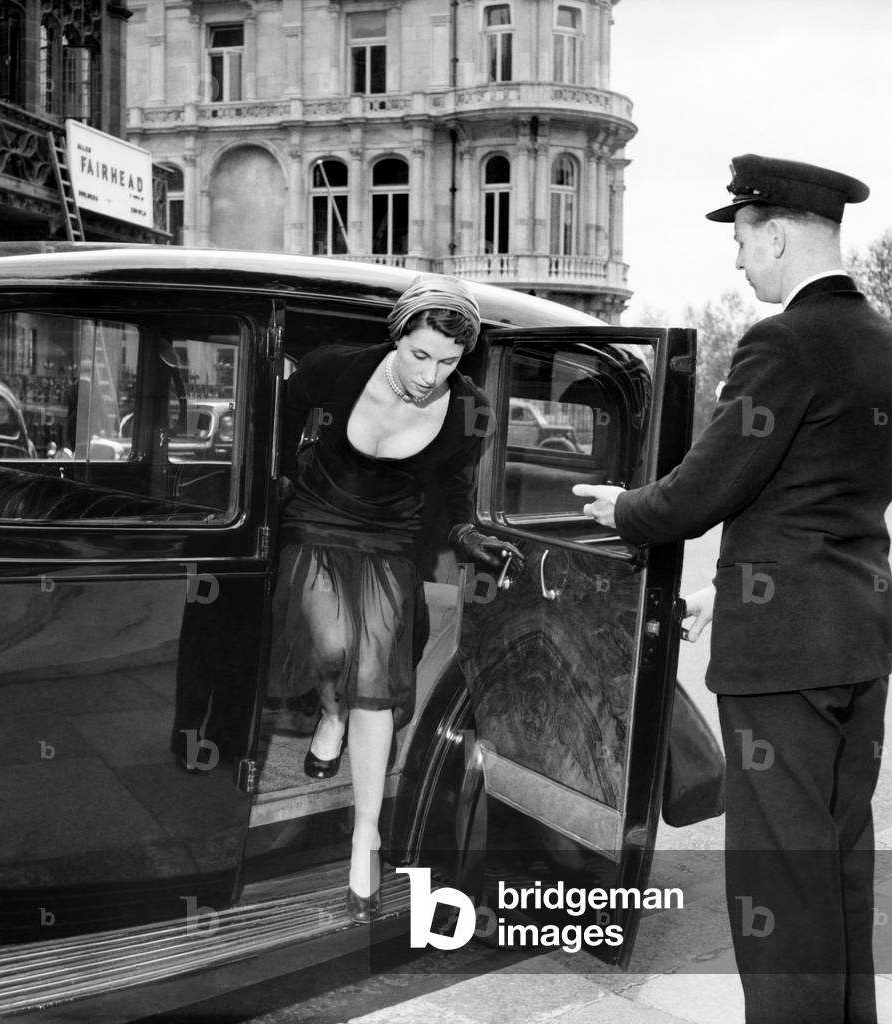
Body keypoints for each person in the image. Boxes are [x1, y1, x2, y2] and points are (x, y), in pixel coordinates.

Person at [574, 154, 892, 1024]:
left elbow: (704, 489)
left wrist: (622, 508)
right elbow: (826, 497)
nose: (737, 261)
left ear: (777, 234)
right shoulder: (878, 339)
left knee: (777, 884)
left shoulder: (783, 341)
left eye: (743, 239)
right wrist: (741, 588)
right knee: (835, 867)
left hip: (783, 662)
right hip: (856, 641)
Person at [269, 275, 521, 923]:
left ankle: (366, 839)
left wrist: (469, 536)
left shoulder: (467, 410)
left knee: (373, 680)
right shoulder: (332, 370)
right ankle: (330, 718)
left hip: (390, 541)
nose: (429, 374)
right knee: (330, 645)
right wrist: (272, 482)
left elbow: (459, 496)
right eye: (419, 355)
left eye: (447, 362)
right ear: (397, 337)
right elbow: (274, 424)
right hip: (316, 520)